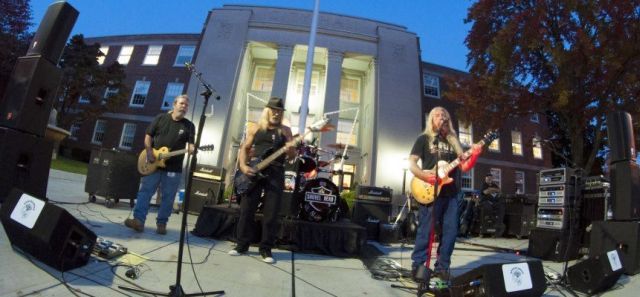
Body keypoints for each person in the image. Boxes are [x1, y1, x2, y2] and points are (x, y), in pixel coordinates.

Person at [409, 106, 482, 281]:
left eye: (444, 115)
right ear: (432, 120)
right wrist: (424, 175)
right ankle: (418, 266)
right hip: (430, 189)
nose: (441, 117)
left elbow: (463, 166)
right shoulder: (424, 139)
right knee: (426, 230)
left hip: (453, 192)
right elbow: (412, 163)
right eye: (437, 115)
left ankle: (442, 267)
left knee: (450, 231)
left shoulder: (454, 141)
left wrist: (475, 154)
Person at [228, 97, 296, 264]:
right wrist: (243, 166)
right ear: (267, 110)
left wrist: (290, 149)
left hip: (276, 171)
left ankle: (266, 249)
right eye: (273, 109)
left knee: (271, 212)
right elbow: (245, 148)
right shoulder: (255, 127)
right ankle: (241, 245)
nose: (276, 113)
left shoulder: (286, 131)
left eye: (279, 110)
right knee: (247, 209)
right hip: (254, 169)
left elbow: (292, 156)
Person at [124, 95, 195, 234]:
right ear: (174, 104)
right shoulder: (161, 118)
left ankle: (162, 224)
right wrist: (149, 152)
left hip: (174, 168)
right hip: (153, 162)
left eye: (186, 105)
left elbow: (191, 145)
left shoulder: (189, 126)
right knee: (145, 192)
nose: (184, 107)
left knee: (168, 197)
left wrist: (192, 149)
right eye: (181, 103)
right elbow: (148, 136)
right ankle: (138, 221)